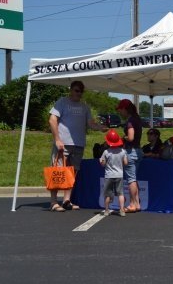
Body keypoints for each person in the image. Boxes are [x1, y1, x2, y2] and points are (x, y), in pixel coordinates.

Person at [48, 80, 107, 212]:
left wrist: (100, 127)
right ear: (71, 90)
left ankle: (67, 201)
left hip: (78, 144)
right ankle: (53, 202)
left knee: (72, 173)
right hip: (63, 144)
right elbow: (52, 120)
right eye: (76, 90)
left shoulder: (84, 107)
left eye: (81, 91)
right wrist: (57, 139)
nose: (78, 93)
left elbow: (90, 123)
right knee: (57, 172)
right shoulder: (62, 102)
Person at [116, 99, 143, 213]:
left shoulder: (130, 121)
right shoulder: (137, 119)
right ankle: (137, 203)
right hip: (138, 151)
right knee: (134, 178)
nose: (120, 112)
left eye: (120, 110)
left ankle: (132, 204)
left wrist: (123, 138)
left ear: (125, 109)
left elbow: (131, 137)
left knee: (131, 179)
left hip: (130, 152)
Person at [99, 129, 128, 217]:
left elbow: (103, 164)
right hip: (119, 175)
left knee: (108, 194)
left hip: (109, 175)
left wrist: (101, 161)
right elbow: (126, 163)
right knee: (120, 193)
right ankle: (122, 210)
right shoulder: (123, 151)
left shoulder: (106, 152)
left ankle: (107, 210)